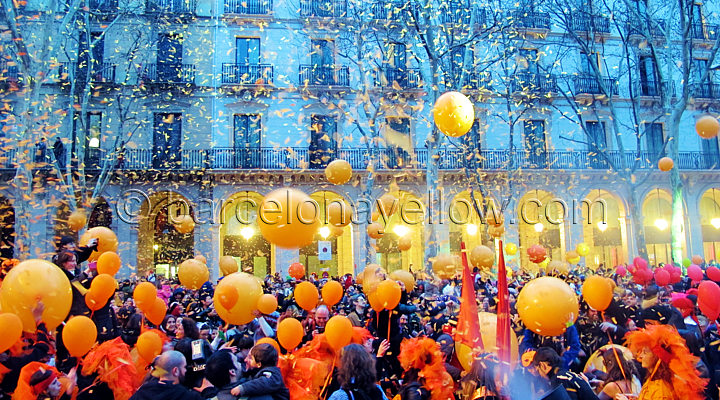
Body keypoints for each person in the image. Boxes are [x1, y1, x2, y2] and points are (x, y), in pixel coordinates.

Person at [618, 324, 706, 400]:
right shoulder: (654, 379)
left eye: (645, 352)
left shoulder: (662, 390)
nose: (640, 356)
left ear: (658, 358)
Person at [130, 351, 204, 400]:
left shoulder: (142, 391)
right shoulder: (187, 396)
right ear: (175, 371)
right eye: (184, 367)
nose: (186, 371)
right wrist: (208, 391)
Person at [532, 347, 599, 400]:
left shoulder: (559, 381)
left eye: (538, 369)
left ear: (542, 365)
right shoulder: (565, 375)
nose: (540, 375)